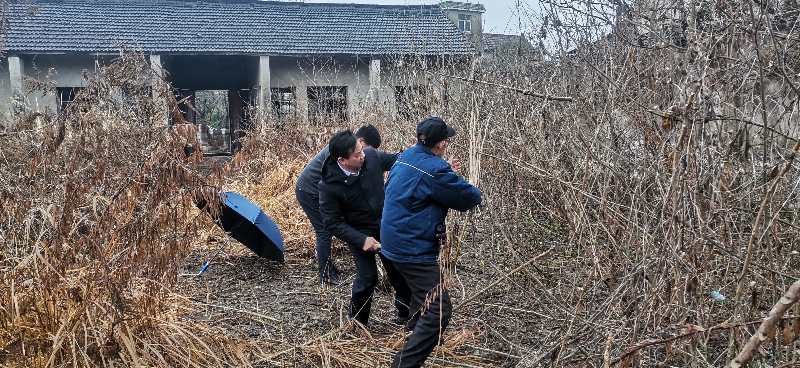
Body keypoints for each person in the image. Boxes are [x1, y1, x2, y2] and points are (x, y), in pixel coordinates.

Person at [380, 117, 482, 368]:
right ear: (441, 144)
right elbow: (468, 198)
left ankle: (412, 333)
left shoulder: (404, 157)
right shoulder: (435, 170)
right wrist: (464, 183)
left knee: (420, 297)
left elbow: (424, 183)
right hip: (411, 249)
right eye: (446, 139)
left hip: (391, 243)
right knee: (439, 312)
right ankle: (403, 364)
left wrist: (445, 172)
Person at [318, 130, 411, 326]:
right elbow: (332, 222)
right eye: (357, 155)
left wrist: (440, 166)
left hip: (385, 225)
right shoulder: (329, 185)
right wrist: (361, 240)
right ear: (342, 160)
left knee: (399, 271)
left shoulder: (372, 157)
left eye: (362, 151)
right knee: (368, 278)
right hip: (358, 232)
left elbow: (404, 160)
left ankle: (407, 313)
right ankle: (358, 324)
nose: (363, 156)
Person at [295, 125, 383, 284]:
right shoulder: (342, 150)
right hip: (308, 190)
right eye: (365, 149)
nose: (365, 155)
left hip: (315, 189)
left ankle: (329, 268)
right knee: (324, 230)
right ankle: (326, 274)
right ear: (361, 141)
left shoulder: (351, 150)